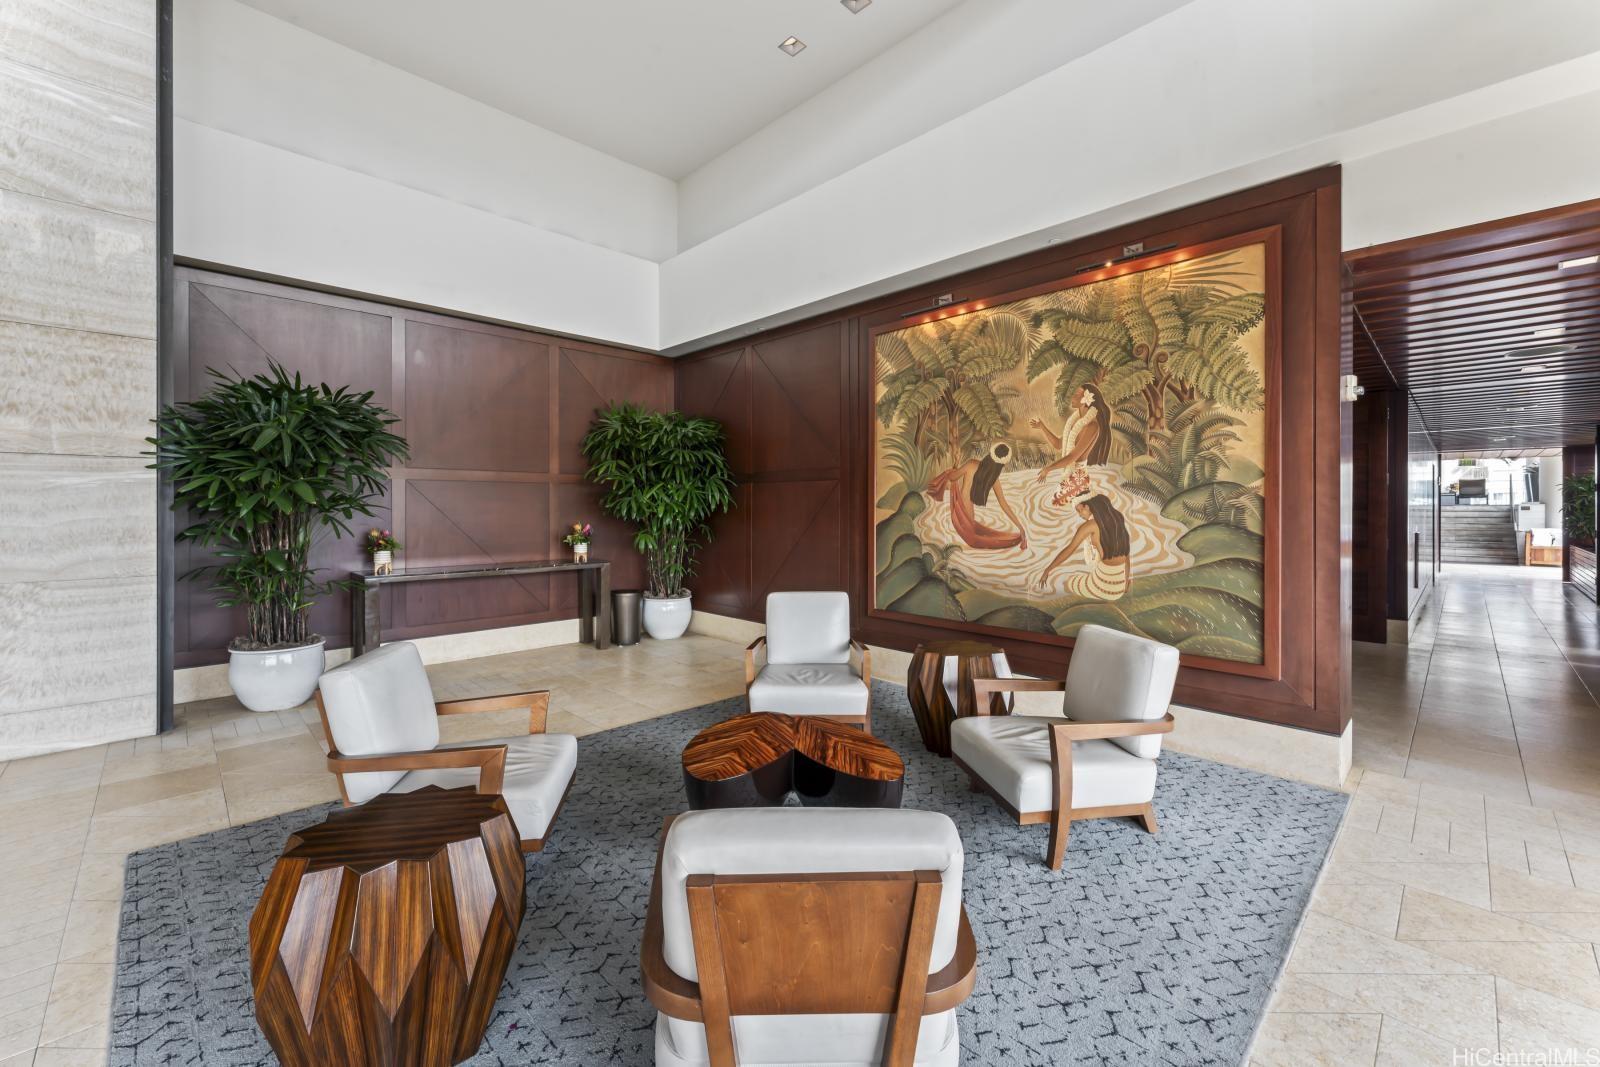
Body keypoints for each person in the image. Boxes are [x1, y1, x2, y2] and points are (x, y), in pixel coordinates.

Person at [926, 443, 1029, 552]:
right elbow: (1003, 504)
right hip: (967, 521)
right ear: (1001, 465)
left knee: (980, 535)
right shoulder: (993, 479)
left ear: (990, 454)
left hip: (958, 512)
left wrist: (956, 464)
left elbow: (952, 477)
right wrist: (1020, 527)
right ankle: (1018, 537)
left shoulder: (971, 464)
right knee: (986, 536)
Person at [1037, 493, 1131, 599]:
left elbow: (1069, 549)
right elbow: (1126, 554)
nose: (1079, 515)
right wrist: (1126, 582)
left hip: (1103, 587)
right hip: (1118, 589)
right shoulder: (1117, 519)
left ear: (1087, 506)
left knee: (1068, 582)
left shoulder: (1089, 526)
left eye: (1079, 510)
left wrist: (1047, 570)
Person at [1031, 383, 1111, 483]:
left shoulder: (1092, 426)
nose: (1072, 397)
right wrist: (1042, 427)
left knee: (1058, 499)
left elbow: (1072, 457)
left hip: (1078, 478)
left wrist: (1048, 468)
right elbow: (1058, 444)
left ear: (1087, 399)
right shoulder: (1074, 423)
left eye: (1076, 395)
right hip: (1069, 476)